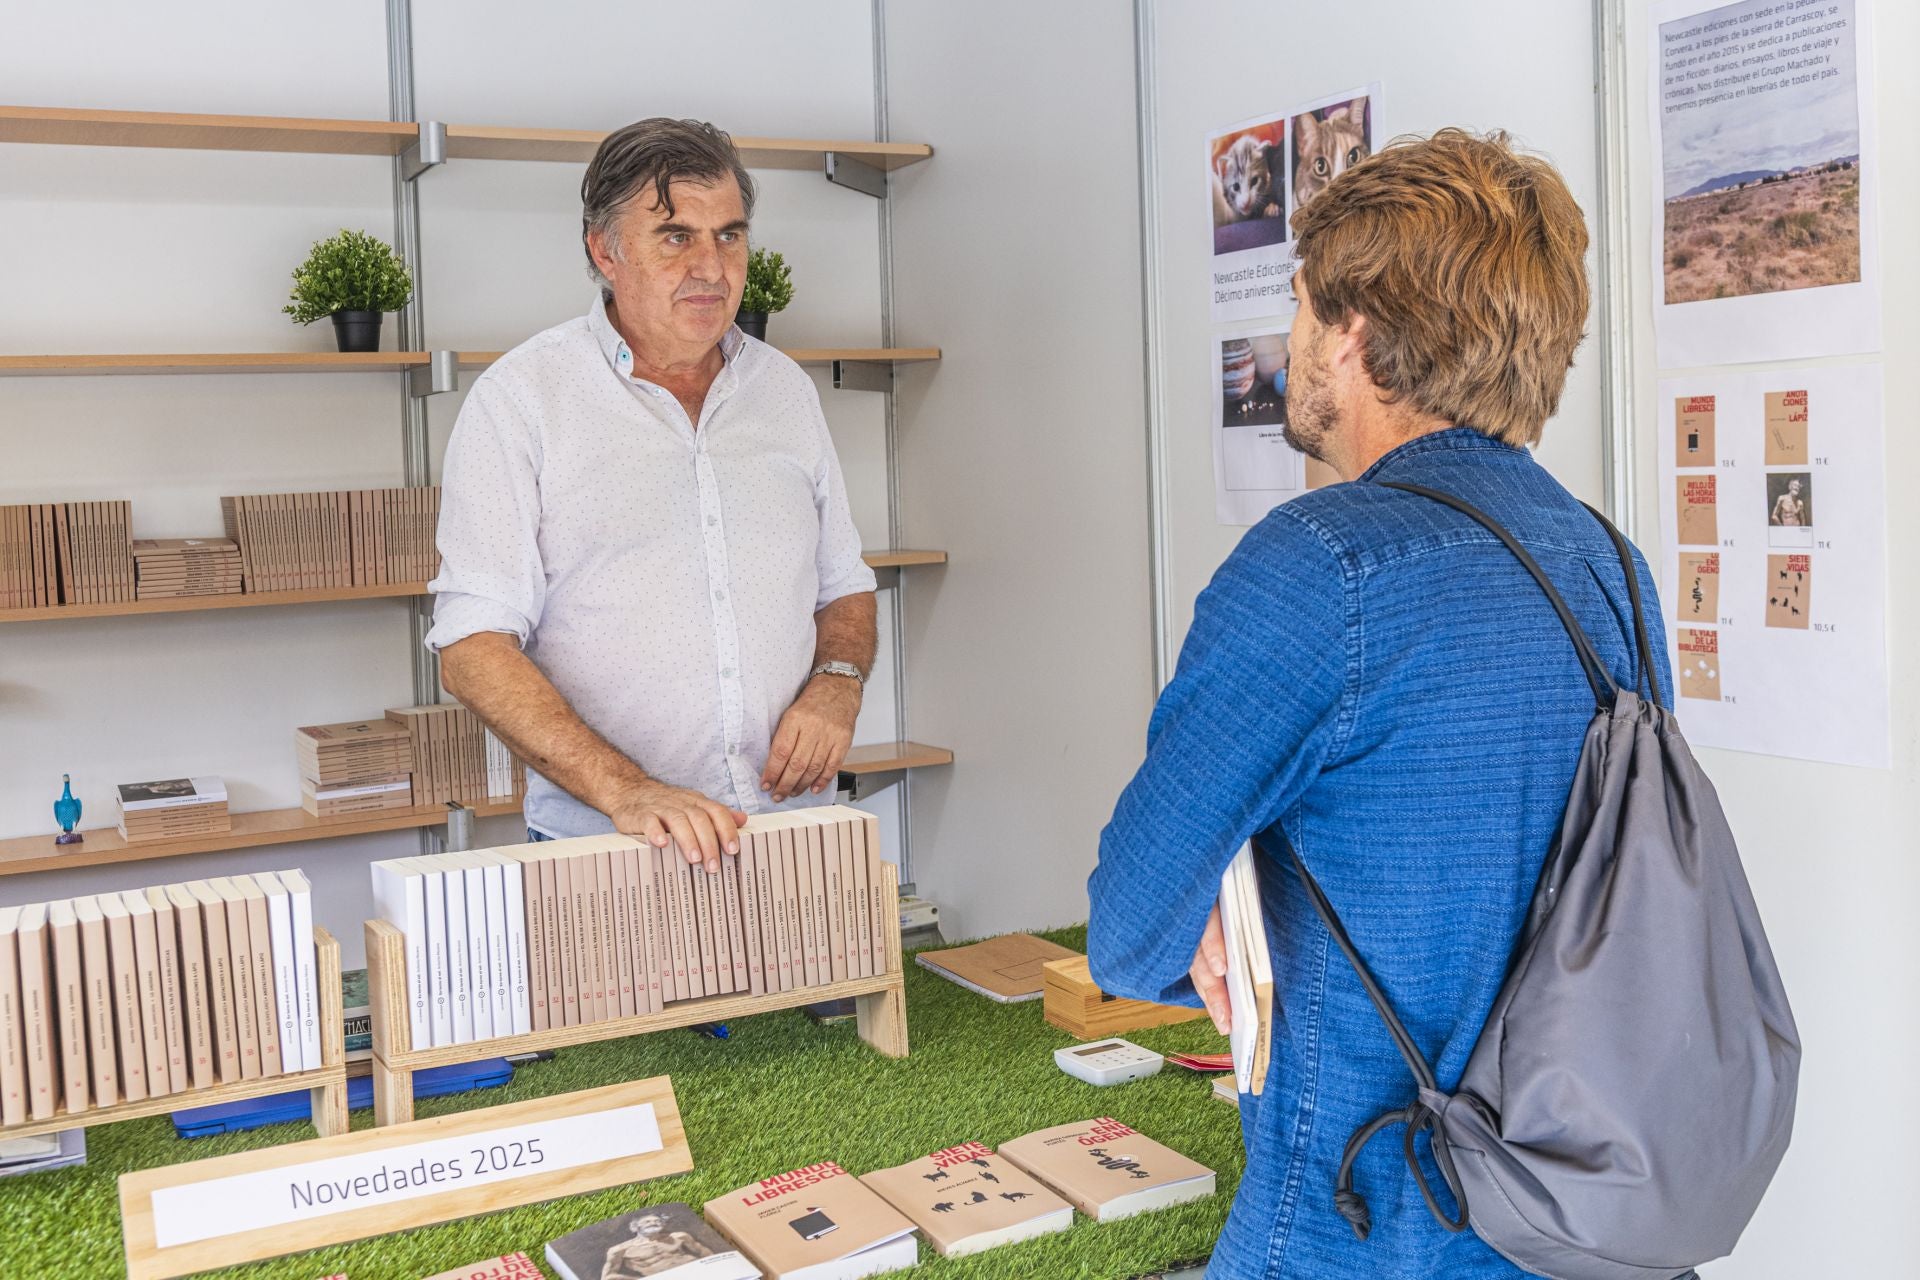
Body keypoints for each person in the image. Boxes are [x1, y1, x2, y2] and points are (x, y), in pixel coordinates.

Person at [1087, 130, 1673, 1278]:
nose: (1291, 343)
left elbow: (1127, 928)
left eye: (1301, 309)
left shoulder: (1320, 561)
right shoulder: (1610, 561)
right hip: (1575, 1215)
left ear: (1353, 335)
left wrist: (1199, 911)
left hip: (1363, 1218)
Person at [426, 118, 878, 874]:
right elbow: (473, 647)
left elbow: (845, 586)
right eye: (675, 237)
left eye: (729, 236)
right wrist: (629, 791)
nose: (712, 265)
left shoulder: (785, 392)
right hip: (609, 845)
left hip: (791, 835)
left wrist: (838, 684)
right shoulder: (523, 399)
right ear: (605, 251)